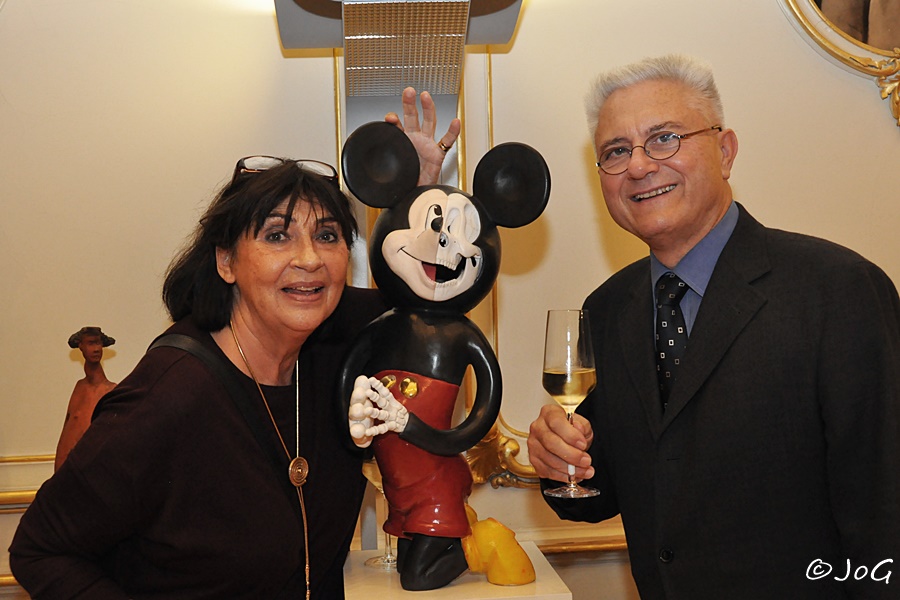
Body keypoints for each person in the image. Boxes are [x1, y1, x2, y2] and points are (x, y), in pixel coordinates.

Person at [9, 89, 458, 599]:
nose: (309, 259)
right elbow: (39, 550)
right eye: (277, 236)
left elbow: (430, 309)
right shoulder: (169, 396)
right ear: (226, 261)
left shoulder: (344, 341)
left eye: (328, 235)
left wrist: (418, 205)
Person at [527, 54, 900, 599]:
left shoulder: (838, 291)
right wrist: (561, 460)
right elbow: (604, 489)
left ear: (725, 152)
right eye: (616, 151)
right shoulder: (606, 309)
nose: (639, 166)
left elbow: (885, 514)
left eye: (664, 138)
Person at [55, 326, 118, 472]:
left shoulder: (110, 391)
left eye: (98, 343)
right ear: (80, 346)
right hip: (69, 471)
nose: (96, 349)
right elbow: (67, 431)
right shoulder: (79, 387)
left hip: (91, 470)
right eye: (90, 343)